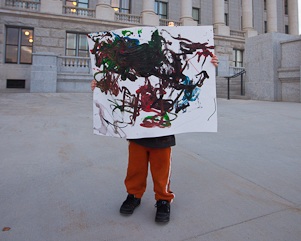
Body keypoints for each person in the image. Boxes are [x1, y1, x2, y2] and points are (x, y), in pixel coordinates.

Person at [92, 55, 219, 223]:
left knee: (161, 171)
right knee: (135, 169)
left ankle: (163, 200)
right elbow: (117, 86)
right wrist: (99, 86)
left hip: (162, 134)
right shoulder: (136, 75)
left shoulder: (171, 77)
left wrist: (211, 66)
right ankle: (134, 196)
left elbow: (195, 81)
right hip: (137, 133)